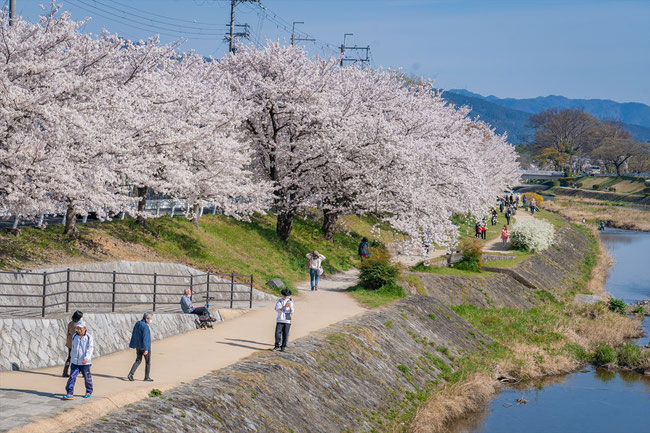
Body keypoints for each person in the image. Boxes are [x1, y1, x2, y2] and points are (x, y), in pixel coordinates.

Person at [63, 320, 93, 400]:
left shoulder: (89, 337)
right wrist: (72, 357)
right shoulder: (74, 336)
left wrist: (86, 358)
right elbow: (73, 348)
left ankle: (88, 391)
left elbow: (90, 349)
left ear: (85, 328)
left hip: (85, 362)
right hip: (75, 362)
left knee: (87, 377)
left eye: (80, 329)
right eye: (78, 329)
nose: (79, 330)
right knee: (72, 377)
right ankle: (69, 393)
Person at [127, 312, 153, 382]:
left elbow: (134, 334)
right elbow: (145, 338)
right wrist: (146, 349)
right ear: (146, 318)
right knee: (148, 362)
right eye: (150, 319)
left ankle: (130, 374)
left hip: (138, 346)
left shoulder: (137, 323)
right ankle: (146, 377)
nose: (151, 320)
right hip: (144, 347)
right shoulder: (145, 326)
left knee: (138, 361)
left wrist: (134, 344)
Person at [62, 310, 83, 377]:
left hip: (69, 343)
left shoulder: (70, 323)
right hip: (75, 343)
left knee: (70, 357)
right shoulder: (78, 326)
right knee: (80, 357)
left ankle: (65, 371)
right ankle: (82, 372)